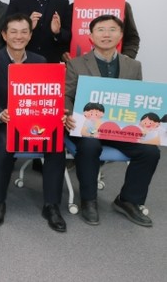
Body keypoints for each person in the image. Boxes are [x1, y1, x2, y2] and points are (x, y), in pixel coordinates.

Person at [64, 14, 160, 227]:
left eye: (112, 30)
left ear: (121, 35)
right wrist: (69, 114)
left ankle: (128, 200)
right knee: (90, 146)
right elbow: (66, 95)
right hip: (87, 127)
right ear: (91, 36)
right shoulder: (76, 64)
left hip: (119, 129)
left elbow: (137, 100)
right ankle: (89, 200)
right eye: (100, 30)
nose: (106, 34)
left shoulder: (133, 65)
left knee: (150, 151)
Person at [0, 13, 67, 232]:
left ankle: (51, 205)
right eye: (13, 32)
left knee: (56, 145)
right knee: (6, 143)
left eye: (24, 32)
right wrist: (0, 113)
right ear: (4, 35)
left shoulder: (40, 61)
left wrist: (57, 112)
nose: (19, 36)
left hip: (33, 122)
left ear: (30, 34)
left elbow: (47, 95)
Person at [64, 0, 140, 60]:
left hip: (115, 62)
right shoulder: (74, 7)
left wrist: (126, 57)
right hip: (80, 62)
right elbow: (65, 36)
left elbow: (132, 38)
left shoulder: (122, 5)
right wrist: (64, 53)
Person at [6, 0, 71, 63]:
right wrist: (27, 26)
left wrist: (57, 32)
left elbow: (68, 35)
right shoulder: (16, 2)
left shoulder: (62, 3)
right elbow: (7, 32)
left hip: (51, 61)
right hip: (23, 59)